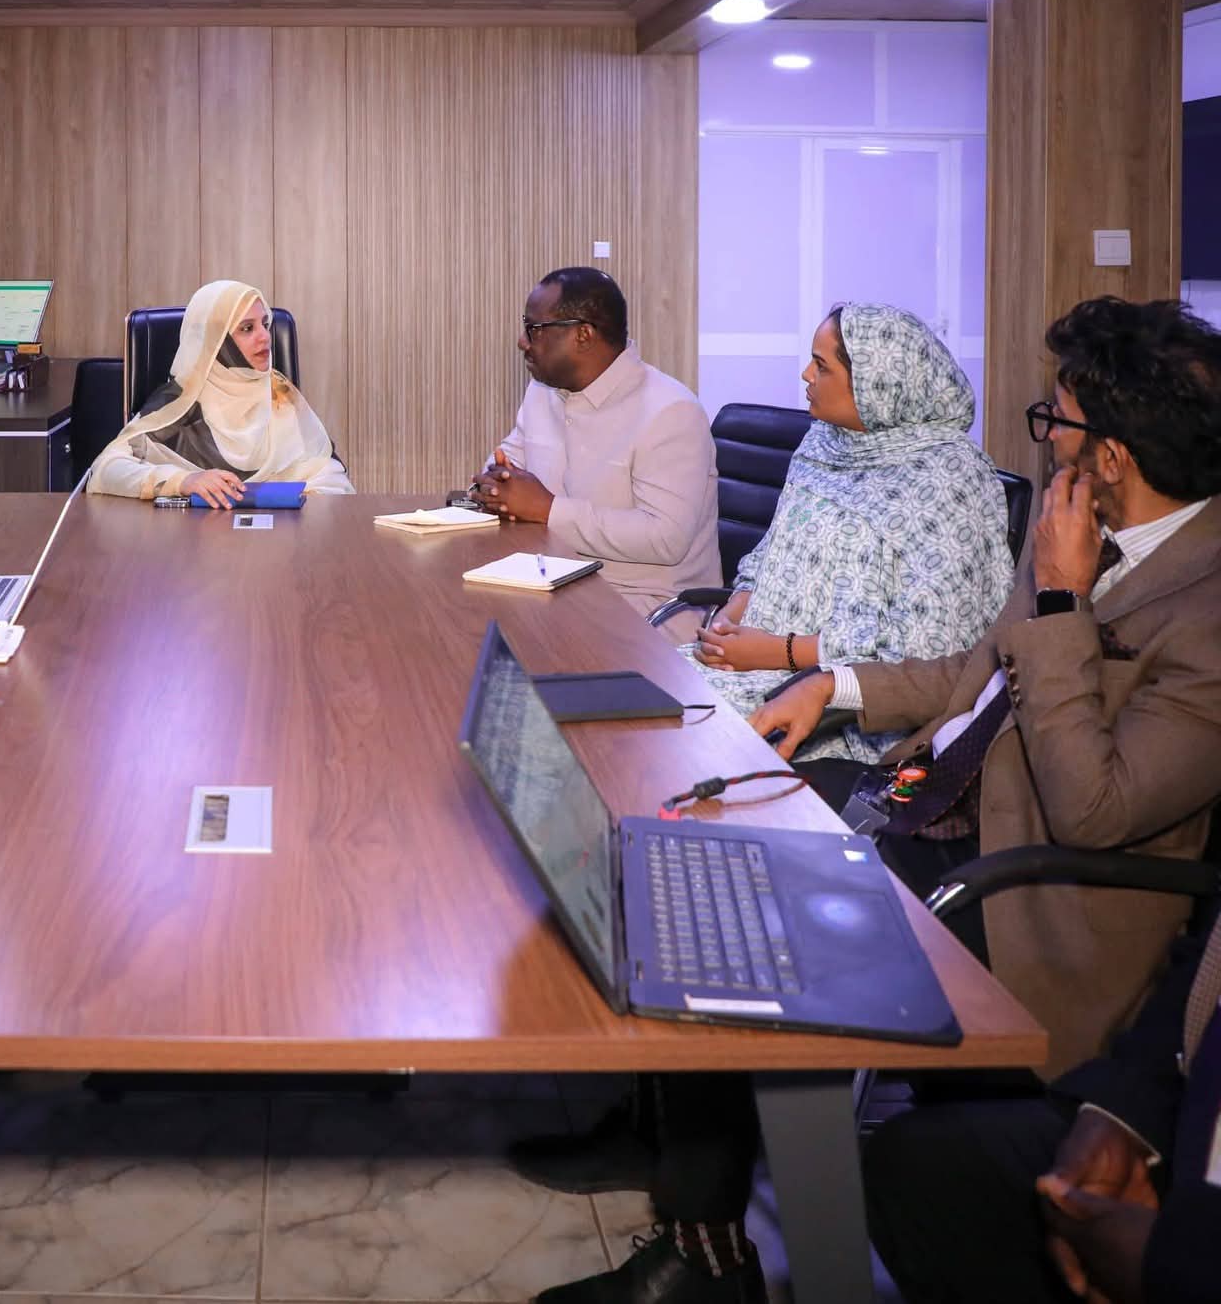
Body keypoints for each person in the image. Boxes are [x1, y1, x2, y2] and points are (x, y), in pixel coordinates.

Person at [522, 296, 1221, 1304]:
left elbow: (1094, 812)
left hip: (1025, 895)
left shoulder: (1198, 605)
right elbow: (965, 677)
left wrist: (1061, 602)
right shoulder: (1084, 525)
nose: (1044, 436)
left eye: (1056, 419)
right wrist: (832, 686)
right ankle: (686, 1194)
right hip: (928, 805)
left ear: (1109, 454)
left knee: (735, 899)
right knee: (694, 843)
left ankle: (705, 1258)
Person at [686, 304, 1012, 762]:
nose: (806, 375)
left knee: (683, 745)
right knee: (641, 700)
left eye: (821, 366)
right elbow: (772, 554)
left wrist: (778, 652)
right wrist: (730, 620)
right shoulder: (822, 441)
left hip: (843, 704)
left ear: (877, 383)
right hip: (753, 659)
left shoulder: (950, 478)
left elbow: (927, 647)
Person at [864, 910, 1221, 1304]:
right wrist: (1120, 1114)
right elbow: (1206, 970)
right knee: (916, 1164)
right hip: (1187, 1126)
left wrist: (1173, 1265)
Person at [473, 268, 719, 641]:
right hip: (552, 582)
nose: (523, 342)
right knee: (454, 613)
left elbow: (665, 538)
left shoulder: (671, 411)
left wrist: (547, 509)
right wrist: (495, 487)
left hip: (648, 607)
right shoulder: (544, 392)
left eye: (534, 329)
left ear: (583, 335)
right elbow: (505, 464)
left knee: (495, 639)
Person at [87, 280, 353, 505]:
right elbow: (105, 470)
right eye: (247, 328)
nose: (265, 337)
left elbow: (330, 475)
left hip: (279, 541)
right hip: (194, 540)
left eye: (264, 324)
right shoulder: (178, 404)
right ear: (216, 342)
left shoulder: (279, 395)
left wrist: (305, 501)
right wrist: (184, 481)